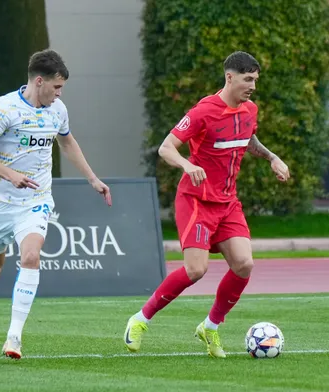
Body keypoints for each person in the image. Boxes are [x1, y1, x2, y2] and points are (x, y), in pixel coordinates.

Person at [123, 51, 290, 358]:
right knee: (195, 270)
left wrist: (272, 157)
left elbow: (248, 140)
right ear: (230, 77)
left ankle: (210, 327)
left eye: (255, 79)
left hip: (228, 203)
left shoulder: (249, 110)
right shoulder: (204, 111)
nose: (253, 85)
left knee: (244, 264)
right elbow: (166, 148)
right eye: (247, 79)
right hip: (197, 200)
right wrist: (187, 165)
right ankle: (140, 320)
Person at [0, 49, 111, 359]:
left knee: (31, 256)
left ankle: (13, 338)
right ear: (40, 81)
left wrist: (93, 179)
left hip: (35, 200)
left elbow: (68, 142)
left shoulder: (57, 110)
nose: (59, 94)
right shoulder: (3, 109)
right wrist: (11, 174)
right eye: (56, 87)